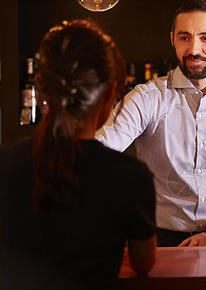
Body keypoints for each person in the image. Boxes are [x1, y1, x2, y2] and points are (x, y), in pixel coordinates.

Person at [96, 0, 206, 247]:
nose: (194, 49)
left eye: (205, 38)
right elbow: (99, 149)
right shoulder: (147, 98)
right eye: (184, 37)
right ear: (172, 40)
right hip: (157, 242)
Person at [0, 19, 157, 289]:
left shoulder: (5, 162)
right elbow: (143, 263)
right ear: (109, 94)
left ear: (41, 91)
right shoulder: (130, 177)